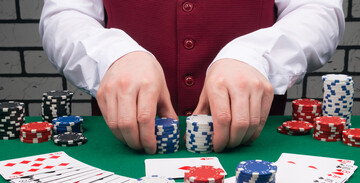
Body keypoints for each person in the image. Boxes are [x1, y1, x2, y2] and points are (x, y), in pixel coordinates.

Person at [39, 0, 345, 154]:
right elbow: (64, 13)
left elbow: (316, 7)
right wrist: (113, 55)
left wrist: (255, 55)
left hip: (255, 144)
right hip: (120, 147)